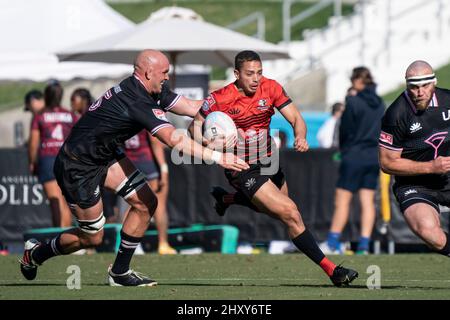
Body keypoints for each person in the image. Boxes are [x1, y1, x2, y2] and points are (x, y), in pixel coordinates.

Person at [19, 49, 248, 287]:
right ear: (148, 72)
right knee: (92, 237)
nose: (167, 77)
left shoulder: (151, 89)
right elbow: (172, 139)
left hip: (105, 156)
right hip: (78, 166)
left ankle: (119, 272)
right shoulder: (136, 99)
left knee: (146, 202)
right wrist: (218, 157)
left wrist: (233, 108)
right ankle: (36, 254)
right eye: (164, 72)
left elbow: (192, 106)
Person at [189, 50, 358, 287]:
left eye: (259, 72)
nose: (256, 78)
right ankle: (333, 271)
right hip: (242, 167)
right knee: (290, 213)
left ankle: (227, 198)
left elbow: (296, 118)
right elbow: (193, 127)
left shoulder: (271, 88)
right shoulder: (219, 98)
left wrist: (301, 136)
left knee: (276, 212)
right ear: (237, 74)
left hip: (270, 160)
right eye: (249, 74)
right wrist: (209, 143)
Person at [379, 60, 450, 258]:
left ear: (434, 83)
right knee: (427, 230)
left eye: (425, 86)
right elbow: (387, 162)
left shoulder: (448, 101)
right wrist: (431, 167)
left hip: (447, 178)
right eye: (414, 87)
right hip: (415, 184)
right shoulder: (396, 114)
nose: (420, 92)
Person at [320, 67, 384, 255]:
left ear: (357, 80)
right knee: (367, 201)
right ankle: (364, 246)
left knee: (342, 200)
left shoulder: (353, 101)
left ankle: (332, 242)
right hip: (373, 156)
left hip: (354, 155)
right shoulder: (380, 103)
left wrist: (345, 149)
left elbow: (345, 129)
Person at [28, 81, 76, 228]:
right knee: (66, 201)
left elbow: (33, 143)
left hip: (48, 160)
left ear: (46, 96)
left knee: (55, 201)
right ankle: (67, 239)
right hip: (67, 159)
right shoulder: (70, 115)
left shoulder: (40, 116)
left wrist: (32, 162)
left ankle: (60, 239)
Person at [121, 130, 177, 255]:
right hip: (148, 162)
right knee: (159, 205)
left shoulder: (123, 112)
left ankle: (127, 245)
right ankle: (163, 243)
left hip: (128, 163)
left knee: (132, 205)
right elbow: (154, 140)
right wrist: (164, 168)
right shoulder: (146, 111)